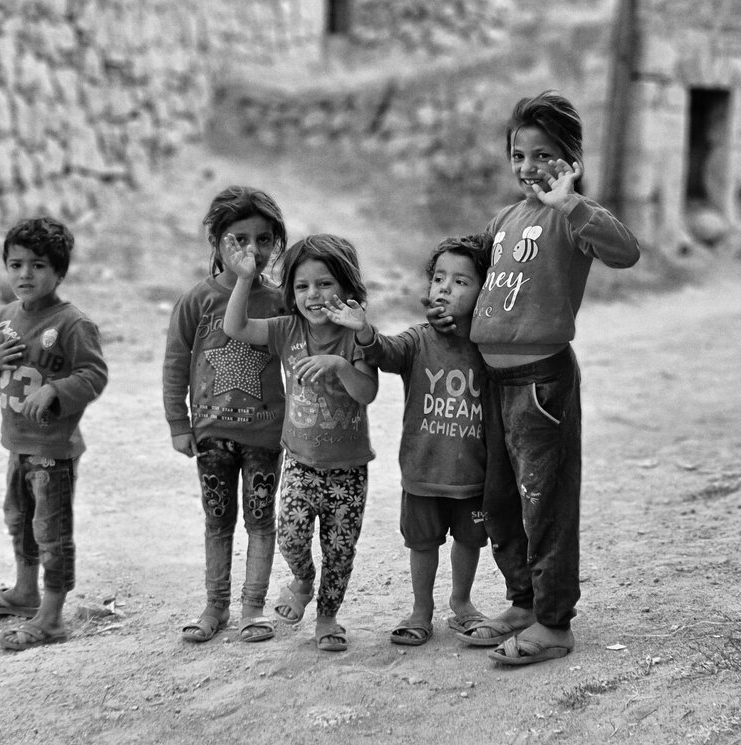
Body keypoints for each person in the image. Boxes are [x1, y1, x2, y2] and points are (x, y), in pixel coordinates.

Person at [429, 91, 640, 665]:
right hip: (494, 384)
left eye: (543, 155)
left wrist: (571, 203)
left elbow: (626, 253)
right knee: (500, 502)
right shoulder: (504, 220)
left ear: (571, 159)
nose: (528, 167)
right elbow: (482, 287)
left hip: (541, 385)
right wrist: (453, 311)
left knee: (544, 504)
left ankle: (553, 622)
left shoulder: (573, 217)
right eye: (519, 155)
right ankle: (522, 603)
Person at [326, 234, 491, 646]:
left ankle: (462, 603)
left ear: (485, 291)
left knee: (469, 540)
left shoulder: (490, 346)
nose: (445, 288)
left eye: (460, 282)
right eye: (438, 279)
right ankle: (421, 610)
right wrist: (364, 330)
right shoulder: (418, 341)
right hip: (422, 471)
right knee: (422, 544)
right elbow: (384, 352)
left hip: (473, 474)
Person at [223, 233, 378, 652]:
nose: (313, 295)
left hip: (348, 471)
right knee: (291, 538)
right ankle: (303, 580)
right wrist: (244, 278)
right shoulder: (286, 329)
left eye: (325, 284)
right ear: (291, 293)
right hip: (300, 464)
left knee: (340, 552)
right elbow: (235, 327)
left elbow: (366, 392)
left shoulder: (356, 334)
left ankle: (327, 619)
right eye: (302, 286)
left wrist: (340, 364)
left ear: (346, 287)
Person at [0, 217, 108, 651]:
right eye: (15, 265)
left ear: (60, 272)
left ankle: (50, 618)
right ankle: (25, 592)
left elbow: (93, 375)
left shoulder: (73, 324)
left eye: (38, 265)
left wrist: (55, 390)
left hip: (53, 451)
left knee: (51, 532)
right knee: (19, 521)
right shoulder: (6, 318)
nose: (24, 275)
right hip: (17, 445)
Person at [162, 186, 288, 643]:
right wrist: (178, 424)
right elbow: (176, 363)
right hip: (211, 434)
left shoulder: (279, 302)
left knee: (260, 520)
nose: (252, 250)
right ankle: (215, 606)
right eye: (239, 239)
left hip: (265, 435)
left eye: (263, 239)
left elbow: (299, 357)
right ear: (216, 242)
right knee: (218, 521)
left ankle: (253, 608)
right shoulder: (197, 300)